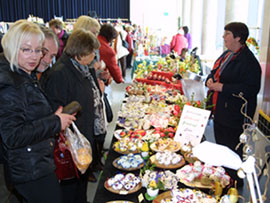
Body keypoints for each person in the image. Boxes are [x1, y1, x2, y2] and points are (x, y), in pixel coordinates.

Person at [0, 20, 76, 203]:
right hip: (30, 169)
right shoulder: (12, 84)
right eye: (26, 49)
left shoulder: (24, 74)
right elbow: (13, 135)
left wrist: (51, 117)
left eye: (37, 50)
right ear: (12, 47)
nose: (34, 56)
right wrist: (55, 122)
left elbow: (27, 115)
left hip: (35, 161)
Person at [42, 28, 100, 203]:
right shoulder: (60, 73)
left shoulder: (80, 67)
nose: (94, 56)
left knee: (80, 181)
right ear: (80, 53)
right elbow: (56, 108)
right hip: (70, 140)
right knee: (70, 184)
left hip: (82, 133)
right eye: (91, 52)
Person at [205, 22, 261, 187]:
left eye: (227, 34)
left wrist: (222, 87)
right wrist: (210, 79)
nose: (223, 37)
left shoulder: (249, 62)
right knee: (222, 150)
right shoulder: (227, 55)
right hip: (221, 112)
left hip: (235, 117)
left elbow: (251, 89)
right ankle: (223, 183)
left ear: (238, 37)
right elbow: (215, 72)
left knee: (233, 153)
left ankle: (235, 187)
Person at [73, 15, 109, 182]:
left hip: (96, 93)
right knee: (90, 133)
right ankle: (91, 166)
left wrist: (102, 75)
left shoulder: (90, 51)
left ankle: (96, 161)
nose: (96, 36)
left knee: (100, 128)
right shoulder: (77, 57)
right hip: (89, 101)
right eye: (94, 32)